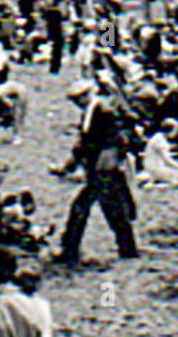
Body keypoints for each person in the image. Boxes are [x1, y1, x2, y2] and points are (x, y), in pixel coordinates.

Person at [53, 79, 138, 263]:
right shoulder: (94, 110)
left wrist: (72, 164)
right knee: (100, 210)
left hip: (104, 171)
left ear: (86, 95)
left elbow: (110, 140)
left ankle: (72, 250)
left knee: (105, 210)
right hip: (99, 171)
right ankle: (126, 250)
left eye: (78, 99)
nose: (77, 103)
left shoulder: (104, 111)